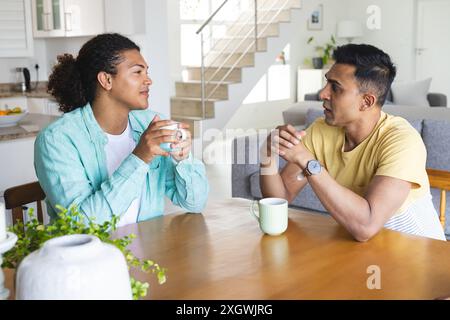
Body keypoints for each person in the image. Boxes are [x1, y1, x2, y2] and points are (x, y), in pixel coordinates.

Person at [260, 44, 446, 241]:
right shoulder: (322, 130)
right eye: (326, 83)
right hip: (365, 255)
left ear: (366, 102)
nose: (322, 94)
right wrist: (267, 155)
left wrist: (308, 162)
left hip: (420, 258)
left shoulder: (402, 140)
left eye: (335, 87)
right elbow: (280, 198)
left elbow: (365, 226)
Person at [35, 33, 209, 226]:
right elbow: (82, 224)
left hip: (148, 250)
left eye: (147, 72)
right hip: (90, 254)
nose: (148, 80)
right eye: (137, 72)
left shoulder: (148, 123)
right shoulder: (57, 139)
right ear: (106, 80)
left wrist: (183, 158)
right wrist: (140, 157)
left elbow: (195, 203)